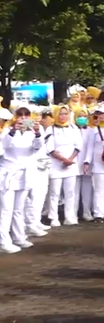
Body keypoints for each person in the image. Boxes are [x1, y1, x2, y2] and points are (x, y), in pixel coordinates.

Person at [0, 106, 43, 254]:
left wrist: (37, 133)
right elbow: (4, 145)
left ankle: (19, 237)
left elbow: (38, 147)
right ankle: (4, 241)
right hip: (9, 173)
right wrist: (13, 130)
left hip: (25, 174)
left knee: (19, 209)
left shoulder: (33, 132)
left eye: (26, 115)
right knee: (6, 209)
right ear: (15, 116)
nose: (23, 117)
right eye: (20, 114)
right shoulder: (7, 131)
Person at [45, 105, 83, 228]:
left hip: (71, 164)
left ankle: (69, 216)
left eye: (65, 113)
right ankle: (53, 217)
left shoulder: (73, 128)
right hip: (56, 165)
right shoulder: (50, 129)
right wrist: (63, 159)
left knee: (70, 192)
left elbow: (78, 146)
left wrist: (70, 159)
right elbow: (50, 149)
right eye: (60, 114)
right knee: (54, 193)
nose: (63, 116)